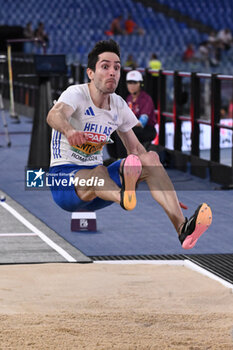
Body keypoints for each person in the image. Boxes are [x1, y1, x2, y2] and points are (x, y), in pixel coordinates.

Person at [46, 39, 212, 250]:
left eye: (116, 67)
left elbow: (136, 149)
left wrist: (165, 190)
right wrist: (69, 130)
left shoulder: (118, 104)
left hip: (102, 190)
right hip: (65, 183)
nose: (112, 72)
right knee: (99, 170)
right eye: (105, 67)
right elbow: (54, 115)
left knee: (150, 158)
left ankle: (182, 229)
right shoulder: (76, 93)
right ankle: (124, 198)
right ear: (90, 73)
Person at [107, 70, 157, 159]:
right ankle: (115, 159)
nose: (131, 86)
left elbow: (142, 123)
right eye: (129, 83)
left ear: (140, 84)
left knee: (122, 131)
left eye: (134, 83)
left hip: (146, 129)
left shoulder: (146, 99)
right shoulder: (128, 98)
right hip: (131, 126)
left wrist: (122, 122)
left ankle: (124, 160)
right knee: (111, 132)